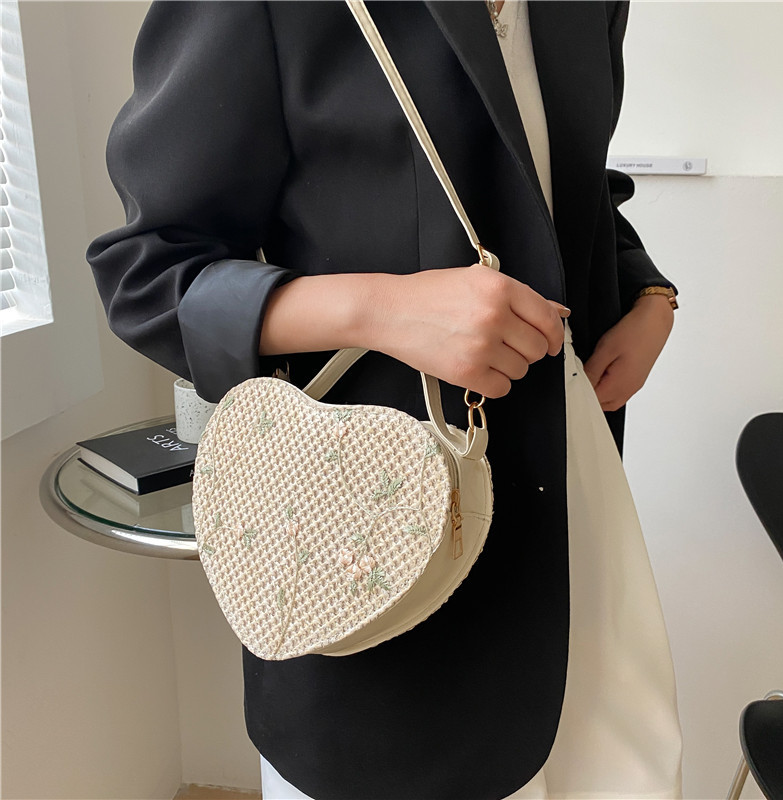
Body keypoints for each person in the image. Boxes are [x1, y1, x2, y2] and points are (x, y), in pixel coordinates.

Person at [87, 2, 683, 798]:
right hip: (376, 531)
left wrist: (649, 293)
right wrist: (381, 309)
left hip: (577, 508)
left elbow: (559, 181)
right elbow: (147, 273)